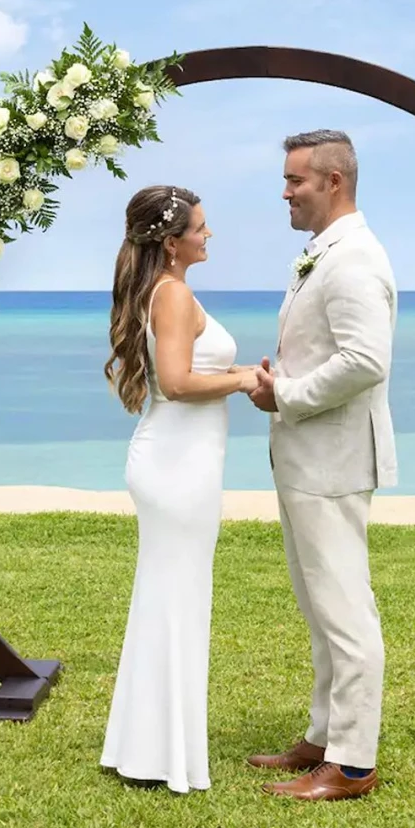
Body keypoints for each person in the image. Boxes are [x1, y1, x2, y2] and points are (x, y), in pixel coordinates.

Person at [245, 129, 397, 802]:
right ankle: (324, 734)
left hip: (332, 456)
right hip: (307, 454)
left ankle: (354, 763)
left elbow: (367, 359)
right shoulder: (323, 254)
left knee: (344, 607)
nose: (284, 191)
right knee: (318, 603)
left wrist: (288, 394)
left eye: (294, 180)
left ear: (332, 181)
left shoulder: (353, 258)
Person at [99, 184, 260, 793]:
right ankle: (160, 755)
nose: (209, 234)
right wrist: (243, 377)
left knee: (169, 601)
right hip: (175, 465)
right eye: (200, 227)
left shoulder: (164, 290)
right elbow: (176, 381)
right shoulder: (172, 294)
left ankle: (146, 750)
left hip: (182, 459)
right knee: (176, 602)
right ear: (172, 244)